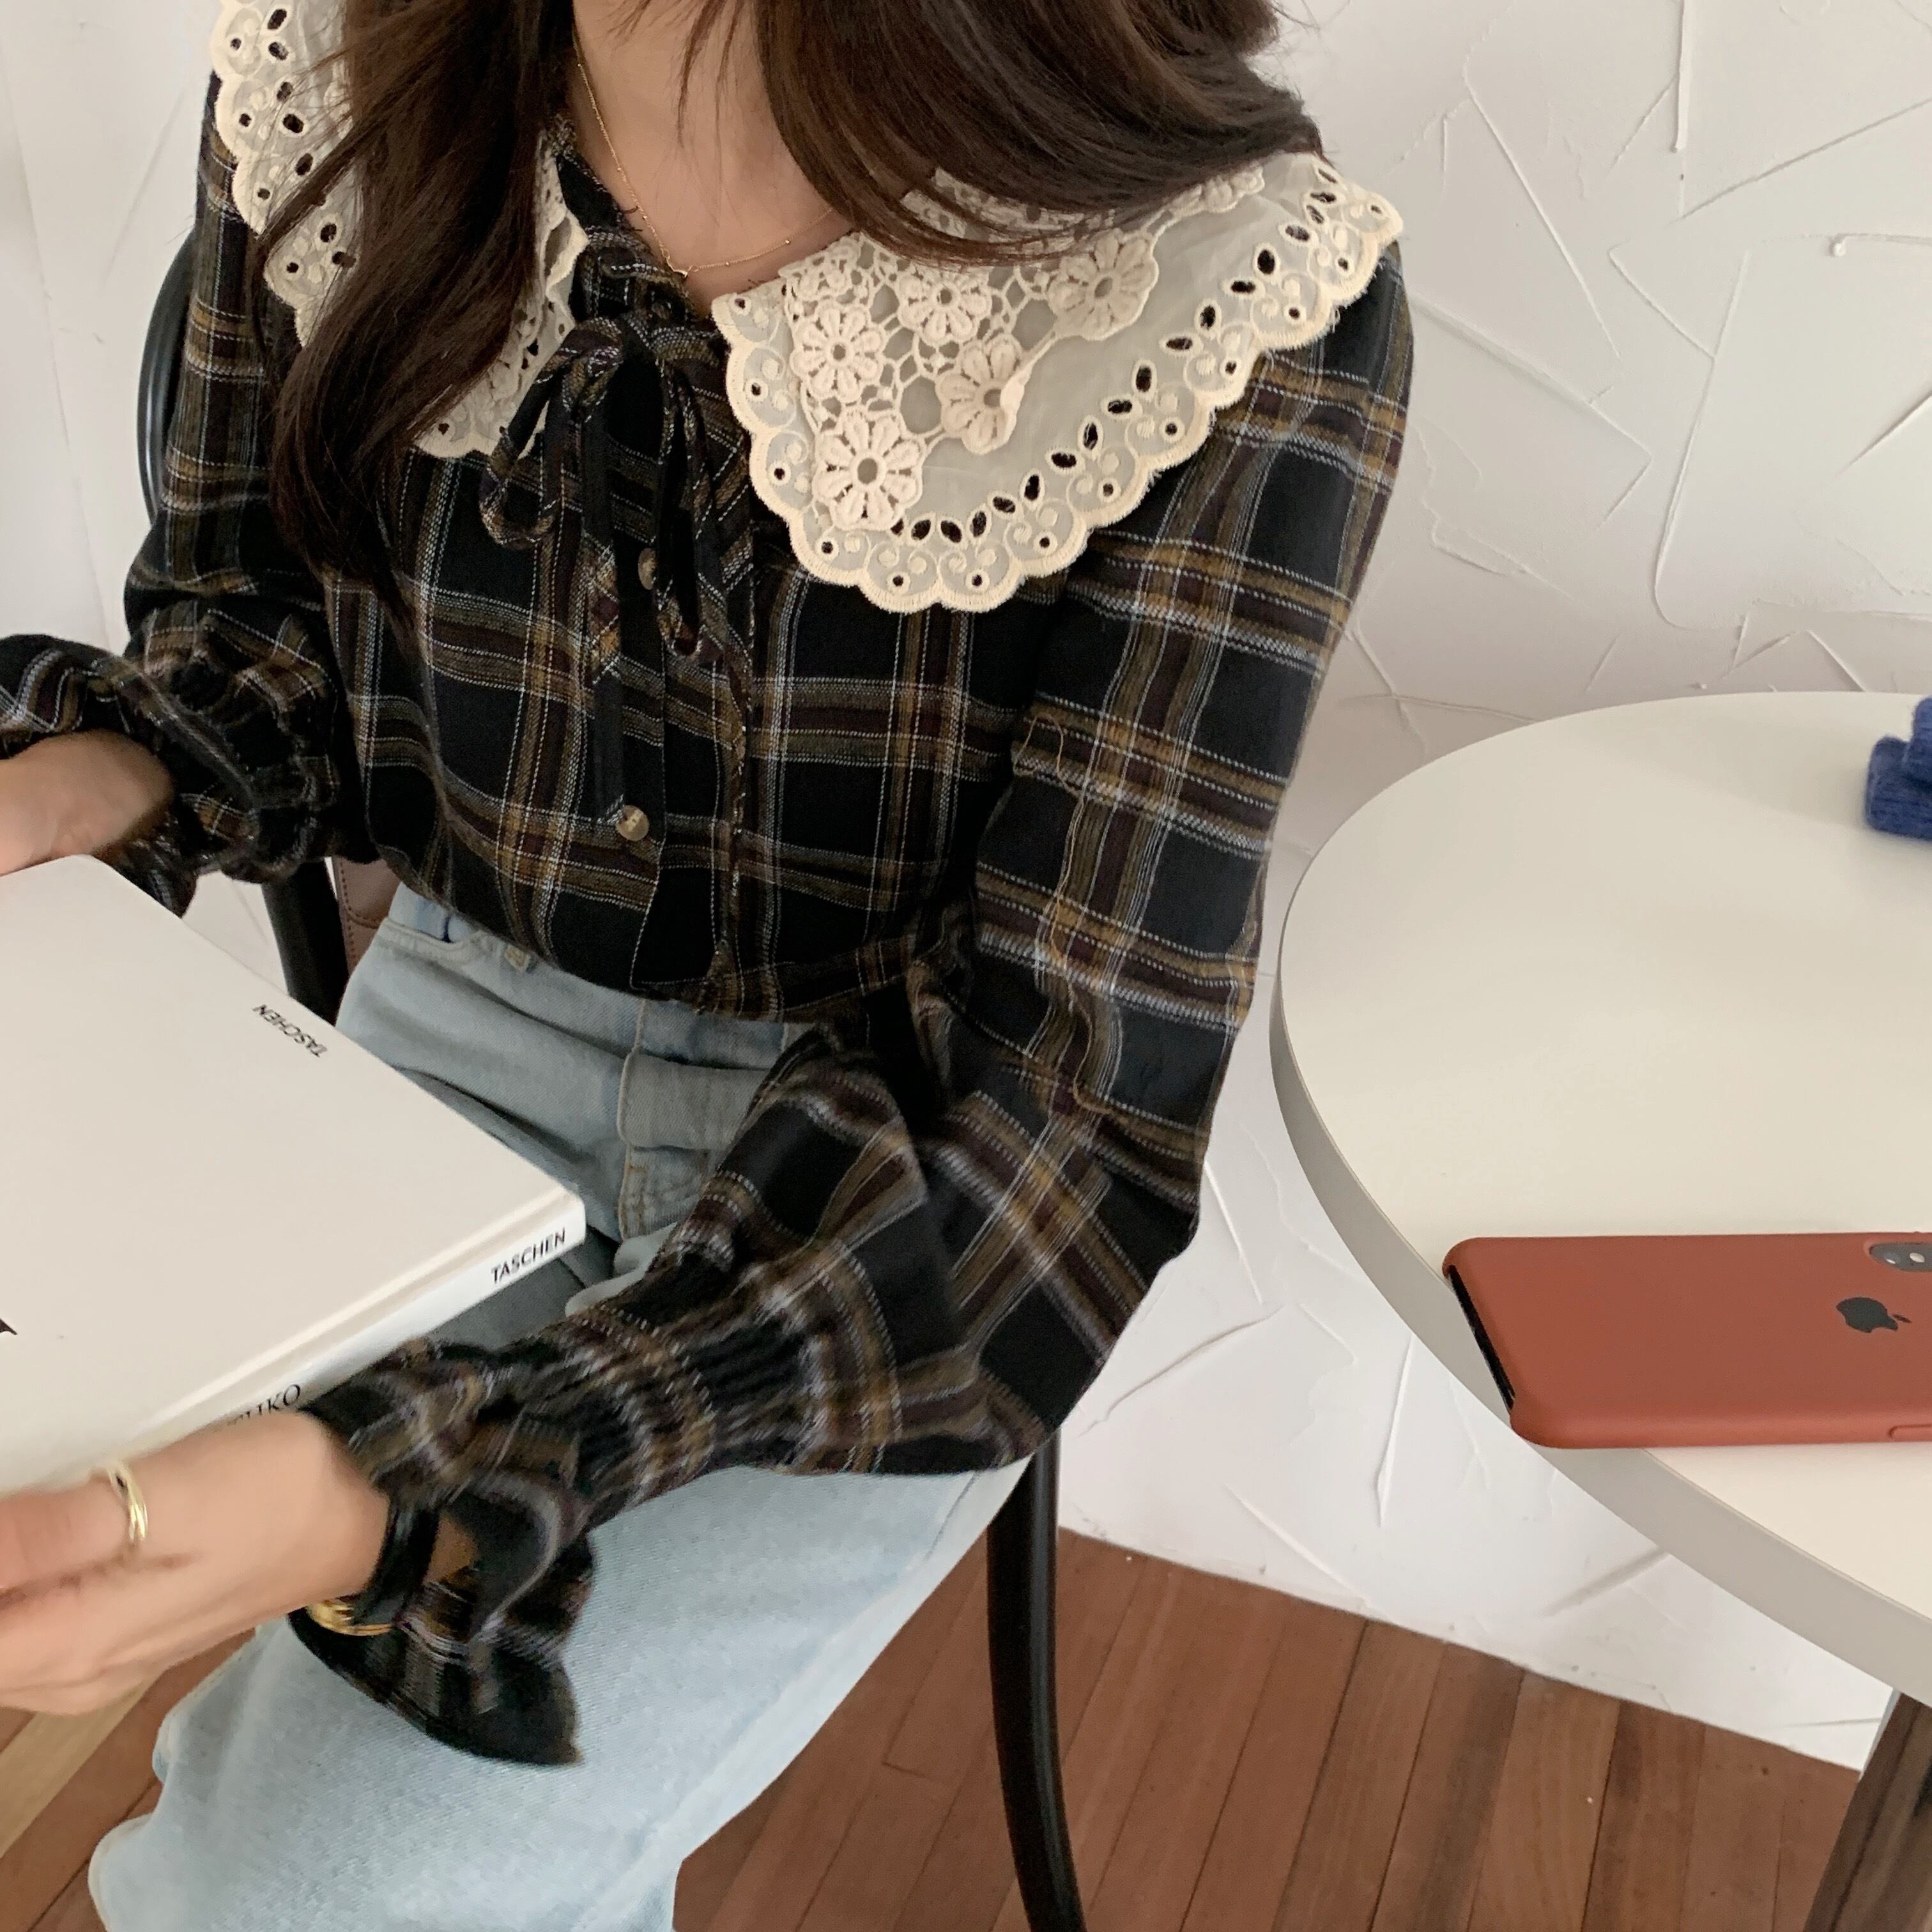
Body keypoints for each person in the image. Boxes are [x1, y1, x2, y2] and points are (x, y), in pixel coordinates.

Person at [0, 0, 1411, 1922]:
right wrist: (108, 769)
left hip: (885, 1214)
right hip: (423, 1079)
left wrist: (386, 1494)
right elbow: (272, 628)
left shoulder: (1226, 289)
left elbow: (1061, 1115)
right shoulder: (341, 86)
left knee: (295, 1893)